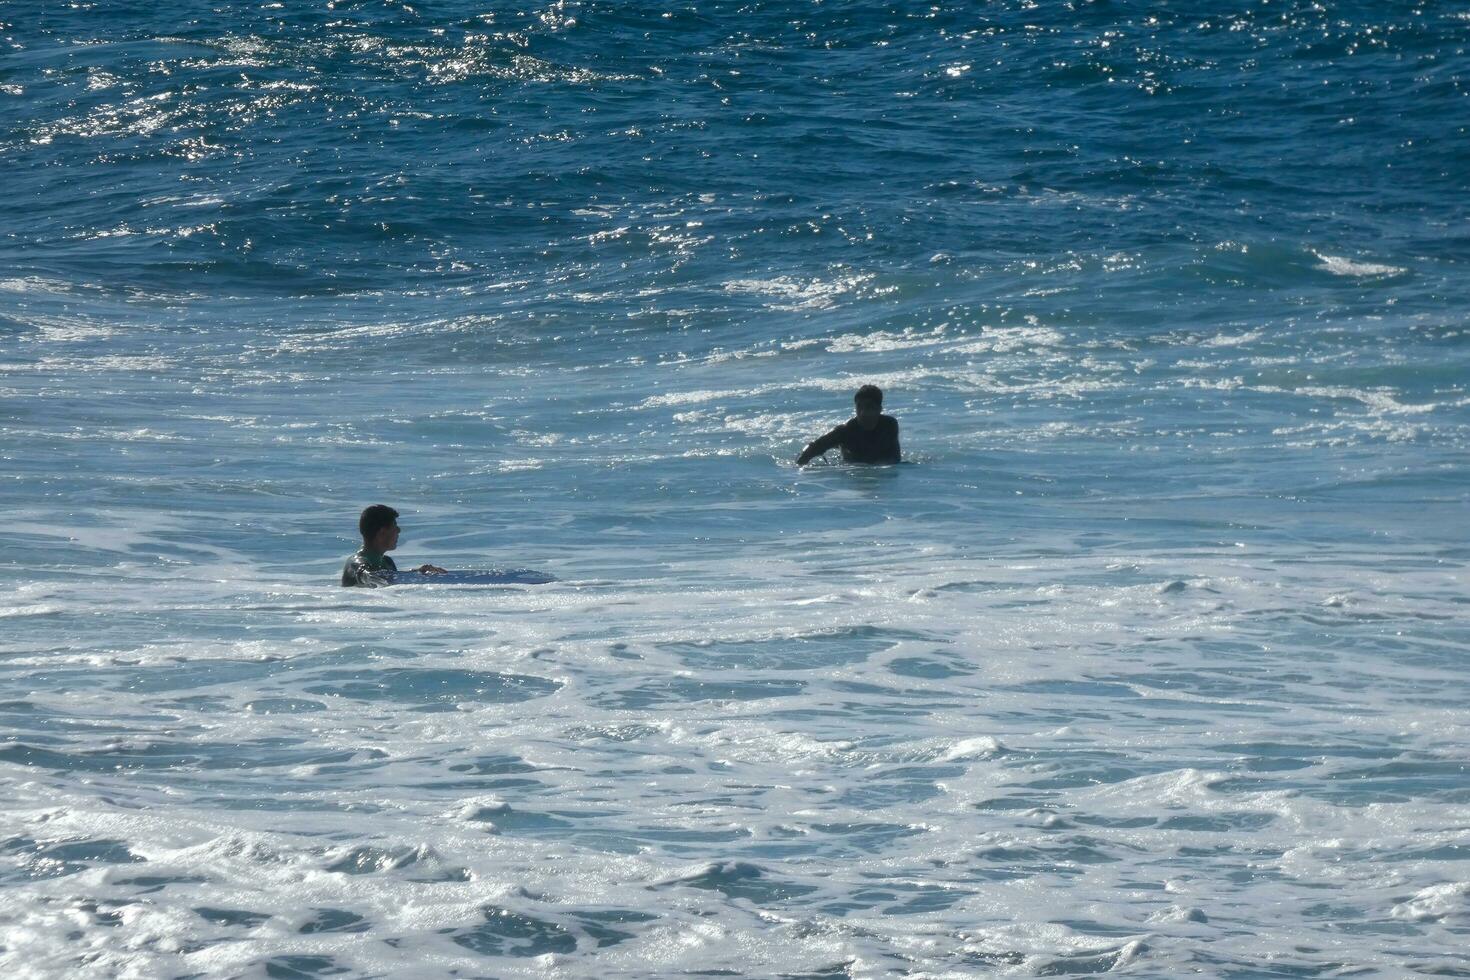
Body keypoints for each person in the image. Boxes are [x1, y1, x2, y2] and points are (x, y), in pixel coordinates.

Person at [341, 504, 446, 587]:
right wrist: (371, 576)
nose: (399, 530)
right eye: (395, 526)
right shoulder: (355, 562)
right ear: (382, 532)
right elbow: (366, 575)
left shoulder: (387, 562)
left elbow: (389, 583)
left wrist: (418, 573)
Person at [795, 384, 901, 465]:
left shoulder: (889, 425)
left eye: (869, 407)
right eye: (859, 407)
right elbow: (812, 448)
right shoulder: (845, 431)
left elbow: (895, 458)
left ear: (879, 409)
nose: (863, 413)